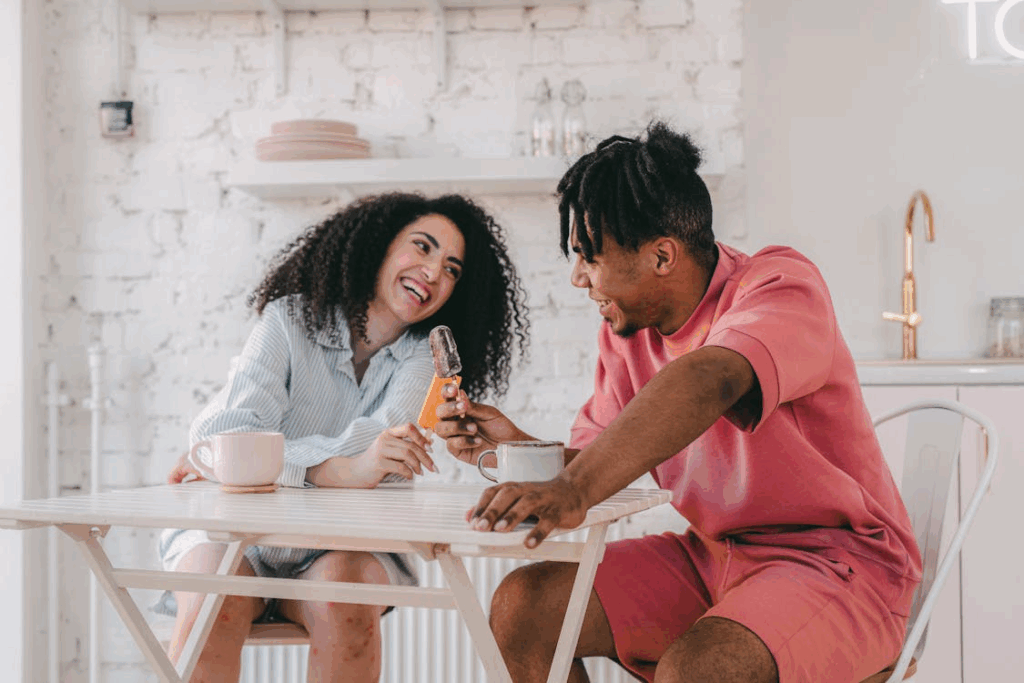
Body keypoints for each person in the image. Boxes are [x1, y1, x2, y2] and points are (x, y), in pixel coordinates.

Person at [433, 122, 922, 683]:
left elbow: (710, 378)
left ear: (662, 255)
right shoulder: (626, 332)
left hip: (838, 568)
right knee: (524, 608)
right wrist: (511, 446)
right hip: (712, 558)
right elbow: (598, 465)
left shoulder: (781, 286)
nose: (577, 279)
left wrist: (573, 489)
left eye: (589, 257)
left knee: (697, 669)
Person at [158, 191, 529, 683]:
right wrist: (337, 470)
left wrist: (263, 461)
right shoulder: (288, 319)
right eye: (422, 247)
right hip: (237, 534)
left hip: (347, 543)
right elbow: (226, 435)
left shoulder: (428, 360)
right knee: (210, 596)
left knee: (346, 600)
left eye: (453, 269)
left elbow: (385, 461)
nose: (435, 272)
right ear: (379, 245)